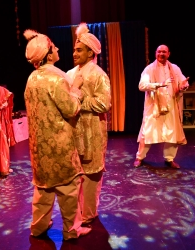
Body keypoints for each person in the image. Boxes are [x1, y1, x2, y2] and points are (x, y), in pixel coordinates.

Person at [23, 29, 92, 240]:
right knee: (68, 190)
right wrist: (77, 89)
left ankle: (38, 227)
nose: (58, 49)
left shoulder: (31, 78)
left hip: (38, 148)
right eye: (54, 47)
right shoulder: (57, 78)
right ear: (47, 53)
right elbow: (70, 109)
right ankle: (72, 230)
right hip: (59, 147)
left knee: (43, 191)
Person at [67, 23, 111, 225]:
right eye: (74, 50)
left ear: (90, 52)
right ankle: (77, 212)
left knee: (92, 173)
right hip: (74, 130)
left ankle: (89, 213)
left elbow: (104, 104)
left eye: (79, 50)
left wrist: (79, 100)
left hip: (92, 131)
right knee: (76, 174)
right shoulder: (68, 74)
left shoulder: (99, 74)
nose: (74, 53)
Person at [133, 44, 189, 169]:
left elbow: (183, 82)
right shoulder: (149, 69)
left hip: (171, 106)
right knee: (147, 133)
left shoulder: (174, 68)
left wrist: (184, 86)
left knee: (172, 133)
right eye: (159, 52)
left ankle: (169, 159)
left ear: (169, 54)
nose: (161, 54)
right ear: (155, 53)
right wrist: (159, 84)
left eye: (164, 52)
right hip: (154, 107)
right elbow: (141, 86)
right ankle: (139, 157)